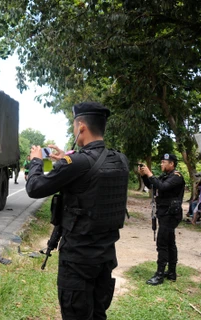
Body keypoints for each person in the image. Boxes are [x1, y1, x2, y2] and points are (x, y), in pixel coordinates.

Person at [26, 102, 129, 320]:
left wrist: (37, 160)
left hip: (78, 259)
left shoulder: (77, 162)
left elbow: (35, 187)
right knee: (98, 314)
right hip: (105, 256)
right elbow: (90, 181)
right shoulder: (121, 160)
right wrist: (67, 158)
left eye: (75, 126)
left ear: (81, 127)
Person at [139, 154, 185, 285]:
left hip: (170, 215)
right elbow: (153, 185)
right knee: (170, 242)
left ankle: (159, 275)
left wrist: (150, 173)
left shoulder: (177, 177)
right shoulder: (166, 176)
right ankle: (171, 272)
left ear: (172, 164)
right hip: (164, 213)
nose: (161, 164)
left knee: (162, 243)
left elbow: (163, 187)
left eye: (164, 162)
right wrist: (144, 175)